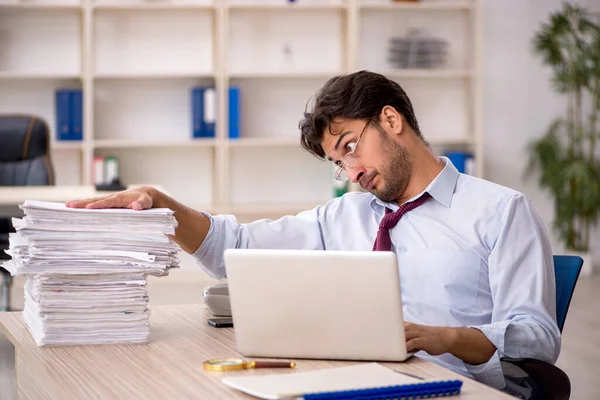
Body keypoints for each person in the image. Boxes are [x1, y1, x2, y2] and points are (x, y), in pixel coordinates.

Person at [67, 70, 560, 394]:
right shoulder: (345, 217)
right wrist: (162, 204)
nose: (350, 172)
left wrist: (447, 337)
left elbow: (538, 341)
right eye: (337, 162)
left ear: (391, 120)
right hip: (356, 381)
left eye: (350, 147)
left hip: (452, 386)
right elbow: (232, 248)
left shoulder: (500, 211)